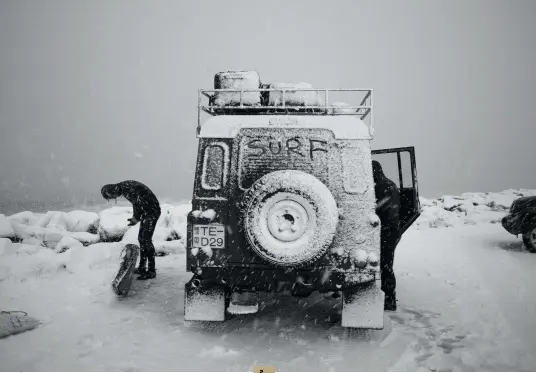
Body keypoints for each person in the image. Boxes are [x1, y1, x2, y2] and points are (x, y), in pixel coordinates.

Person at [101, 180, 161, 280]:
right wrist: (136, 218)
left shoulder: (128, 189)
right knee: (142, 239)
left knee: (146, 240)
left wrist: (136, 218)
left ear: (112, 191)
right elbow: (136, 203)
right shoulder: (125, 188)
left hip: (151, 212)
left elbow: (138, 204)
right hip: (148, 212)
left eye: (112, 197)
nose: (114, 198)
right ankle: (142, 267)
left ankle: (151, 271)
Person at [372, 160, 401, 311]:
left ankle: (389, 299)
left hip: (387, 231)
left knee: (385, 264)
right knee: (385, 264)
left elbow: (377, 208)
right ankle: (387, 297)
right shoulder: (390, 184)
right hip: (392, 229)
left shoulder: (382, 186)